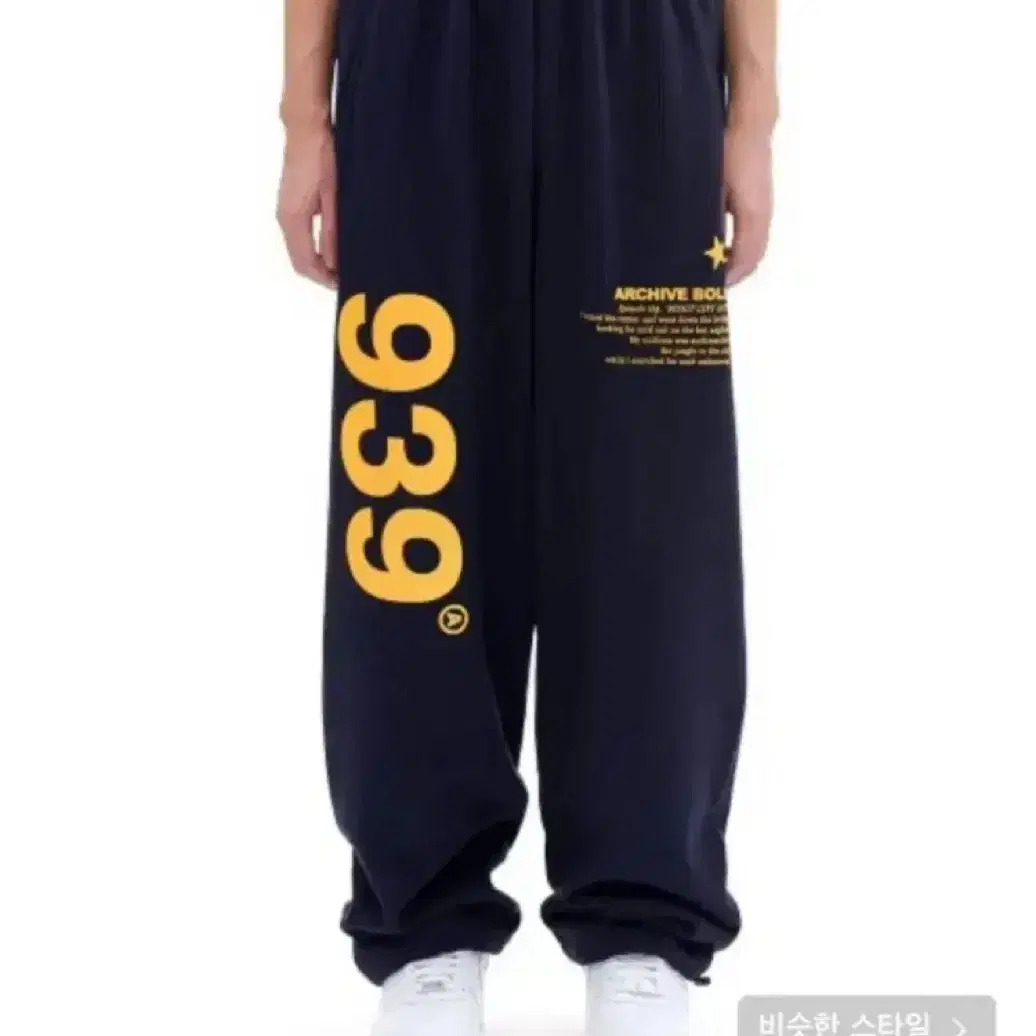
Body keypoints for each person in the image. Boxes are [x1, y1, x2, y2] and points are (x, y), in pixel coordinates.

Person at [278, 0, 776, 1032]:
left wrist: (751, 116)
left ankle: (644, 923)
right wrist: (304, 117)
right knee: (414, 483)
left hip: (644, 62)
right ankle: (425, 925)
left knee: (653, 494)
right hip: (418, 55)